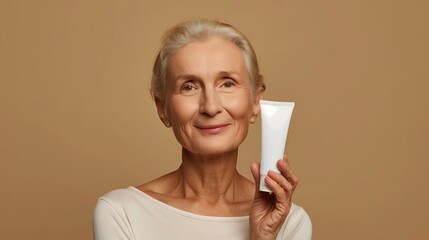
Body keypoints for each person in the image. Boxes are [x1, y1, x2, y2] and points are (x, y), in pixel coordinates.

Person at [93, 19, 312, 240]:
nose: (210, 106)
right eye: (188, 87)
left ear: (255, 103)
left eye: (227, 84)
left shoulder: (289, 222)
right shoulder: (121, 212)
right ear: (163, 108)